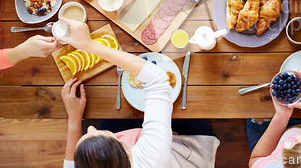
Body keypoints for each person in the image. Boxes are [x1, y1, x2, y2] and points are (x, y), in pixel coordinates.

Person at [60, 17, 219, 168]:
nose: (90, 128)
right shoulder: (151, 160)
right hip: (182, 149)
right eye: (101, 133)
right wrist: (90, 45)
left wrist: (74, 119)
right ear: (128, 155)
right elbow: (157, 79)